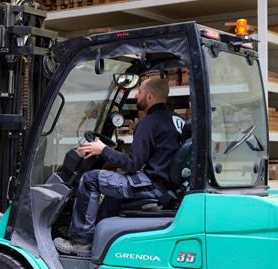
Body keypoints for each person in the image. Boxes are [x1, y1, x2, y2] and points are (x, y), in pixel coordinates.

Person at [54, 77, 182, 256]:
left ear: (150, 97)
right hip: (166, 187)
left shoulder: (149, 123)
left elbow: (132, 163)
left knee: (90, 179)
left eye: (140, 92)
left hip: (152, 186)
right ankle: (100, 240)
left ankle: (81, 242)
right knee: (112, 195)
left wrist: (103, 149)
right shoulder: (177, 120)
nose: (137, 95)